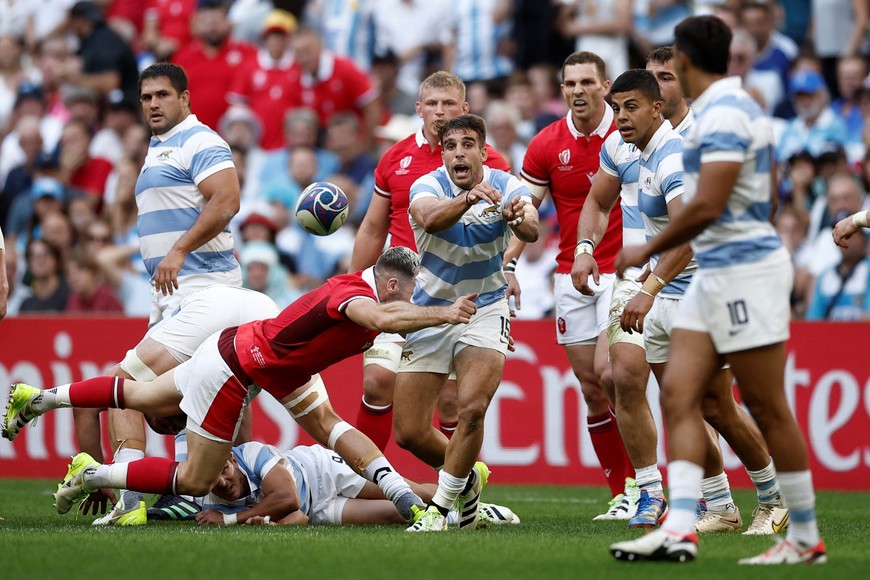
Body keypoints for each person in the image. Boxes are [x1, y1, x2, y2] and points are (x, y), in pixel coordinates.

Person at [4, 247, 478, 526]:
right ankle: (96, 476)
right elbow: (381, 317)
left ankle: (39, 398)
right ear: (394, 286)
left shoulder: (369, 293)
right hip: (235, 367)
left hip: (254, 352)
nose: (415, 302)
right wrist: (446, 312)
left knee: (138, 394)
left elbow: (394, 318)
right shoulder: (354, 295)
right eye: (412, 292)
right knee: (195, 479)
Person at [609, 15, 826, 564]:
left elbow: (707, 206)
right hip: (715, 273)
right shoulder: (722, 112)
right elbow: (770, 198)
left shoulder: (727, 113)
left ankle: (802, 534)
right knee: (682, 395)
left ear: (682, 61)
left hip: (744, 273)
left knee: (764, 405)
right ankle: (681, 526)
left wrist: (644, 254)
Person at [72, 61, 249, 526]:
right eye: (146, 96)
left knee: (124, 388)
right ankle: (203, 494)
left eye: (162, 95)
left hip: (204, 290)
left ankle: (133, 497)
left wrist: (178, 250)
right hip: (172, 296)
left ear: (185, 98)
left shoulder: (201, 140)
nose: (152, 103)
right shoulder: (158, 149)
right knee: (204, 395)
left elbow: (228, 200)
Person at [348, 71, 510, 451]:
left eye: (449, 104)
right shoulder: (395, 158)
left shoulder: (491, 161)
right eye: (433, 104)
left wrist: (504, 283)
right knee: (376, 382)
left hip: (458, 297)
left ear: (465, 108)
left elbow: (510, 228)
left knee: (453, 402)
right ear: (418, 109)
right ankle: (364, 482)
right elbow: (373, 228)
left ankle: (460, 491)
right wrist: (352, 285)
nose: (440, 112)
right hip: (398, 293)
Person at [395, 114, 538, 532]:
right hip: (432, 311)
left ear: (482, 149)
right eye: (451, 145)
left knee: (471, 408)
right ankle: (468, 479)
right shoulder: (427, 186)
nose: (459, 152)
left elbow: (530, 227)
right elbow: (430, 219)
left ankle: (441, 510)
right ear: (442, 153)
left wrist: (516, 216)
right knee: (409, 432)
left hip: (486, 307)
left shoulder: (507, 183)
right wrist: (470, 199)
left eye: (468, 144)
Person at [516, 51, 633, 516]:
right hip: (571, 275)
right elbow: (525, 215)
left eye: (587, 82)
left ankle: (649, 485)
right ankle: (624, 495)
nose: (578, 91)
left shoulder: (629, 136)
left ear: (605, 86)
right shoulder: (546, 144)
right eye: (570, 84)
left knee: (611, 373)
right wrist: (507, 265)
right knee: (591, 388)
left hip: (624, 270)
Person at [196, 440, 521, 527]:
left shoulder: (253, 454)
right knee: (397, 515)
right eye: (213, 480)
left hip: (323, 470)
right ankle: (467, 516)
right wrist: (270, 526)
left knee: (409, 493)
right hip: (319, 507)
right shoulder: (210, 501)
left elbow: (287, 498)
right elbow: (301, 516)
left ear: (233, 460)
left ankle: (468, 494)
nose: (222, 482)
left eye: (224, 470)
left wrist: (230, 519)